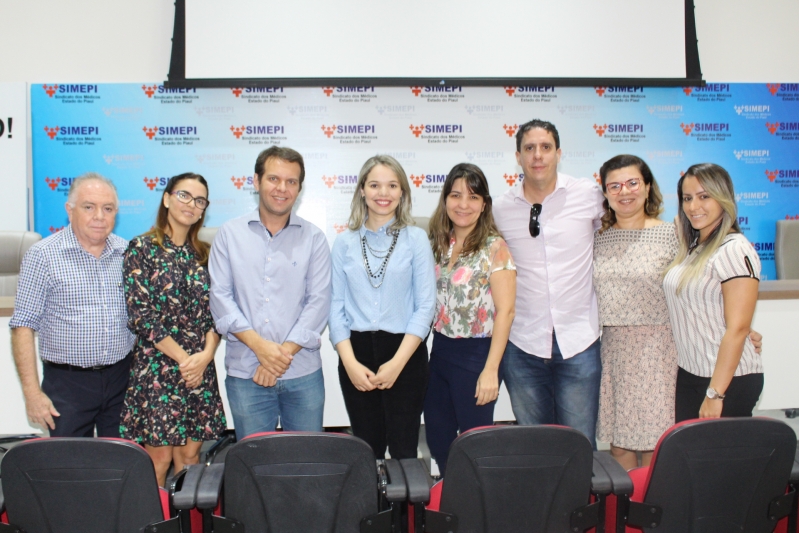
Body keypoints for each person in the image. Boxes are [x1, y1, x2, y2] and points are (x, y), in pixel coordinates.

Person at [493, 119, 604, 448]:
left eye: (545, 148)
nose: (537, 156)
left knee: (581, 445)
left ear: (559, 153)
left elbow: (620, 238)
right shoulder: (500, 208)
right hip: (523, 345)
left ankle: (582, 502)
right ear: (518, 156)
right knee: (536, 448)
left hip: (579, 342)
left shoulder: (588, 195)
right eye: (529, 148)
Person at [210, 146, 331, 440]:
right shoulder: (229, 234)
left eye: (292, 182)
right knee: (253, 468)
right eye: (274, 179)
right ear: (256, 181)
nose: (282, 188)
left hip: (302, 372)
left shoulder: (314, 238)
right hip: (246, 373)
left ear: (300, 189)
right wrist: (261, 349)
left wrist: (278, 356)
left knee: (306, 464)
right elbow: (220, 298)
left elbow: (319, 302)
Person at [119, 173, 226, 487]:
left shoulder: (205, 255)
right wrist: (185, 361)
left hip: (199, 368)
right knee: (159, 461)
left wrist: (205, 356)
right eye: (184, 196)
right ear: (166, 199)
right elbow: (141, 316)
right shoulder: (141, 248)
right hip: (159, 369)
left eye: (200, 200)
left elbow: (216, 315)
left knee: (190, 460)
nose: (191, 205)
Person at [10, 173, 135, 437]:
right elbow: (22, 326)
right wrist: (32, 394)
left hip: (122, 379)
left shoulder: (128, 253)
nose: (99, 216)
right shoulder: (42, 255)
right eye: (89, 207)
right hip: (68, 384)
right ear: (70, 210)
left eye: (108, 208)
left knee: (122, 464)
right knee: (71, 468)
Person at [329, 154, 436, 460]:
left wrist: (397, 363)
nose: (383, 193)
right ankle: (372, 510)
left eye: (392, 185)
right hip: (356, 354)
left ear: (403, 191)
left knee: (404, 450)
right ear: (362, 190)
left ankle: (405, 511)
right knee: (366, 450)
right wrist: (349, 363)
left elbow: (425, 306)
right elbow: (335, 308)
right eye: (375, 185)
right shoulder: (344, 242)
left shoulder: (416, 239)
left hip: (405, 351)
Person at [423, 163, 516, 475]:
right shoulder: (437, 243)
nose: (463, 204)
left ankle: (476, 512)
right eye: (456, 195)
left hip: (477, 357)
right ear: (445, 199)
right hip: (440, 353)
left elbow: (506, 311)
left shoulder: (495, 247)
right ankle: (453, 503)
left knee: (474, 447)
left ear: (484, 204)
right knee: (438, 438)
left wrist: (491, 370)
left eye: (473, 197)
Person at [593, 155, 678, 470]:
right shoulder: (597, 238)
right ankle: (626, 519)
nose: (623, 192)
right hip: (614, 350)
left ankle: (656, 516)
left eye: (632, 183)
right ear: (605, 193)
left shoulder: (674, 235)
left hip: (659, 352)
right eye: (614, 186)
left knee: (658, 447)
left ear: (647, 187)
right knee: (620, 447)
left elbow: (700, 287)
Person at [664, 163, 763, 422]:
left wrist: (715, 394)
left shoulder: (733, 249)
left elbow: (738, 328)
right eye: (687, 198)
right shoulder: (695, 246)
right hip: (691, 373)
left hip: (726, 381)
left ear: (723, 198)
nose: (694, 206)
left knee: (718, 461)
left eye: (704, 196)